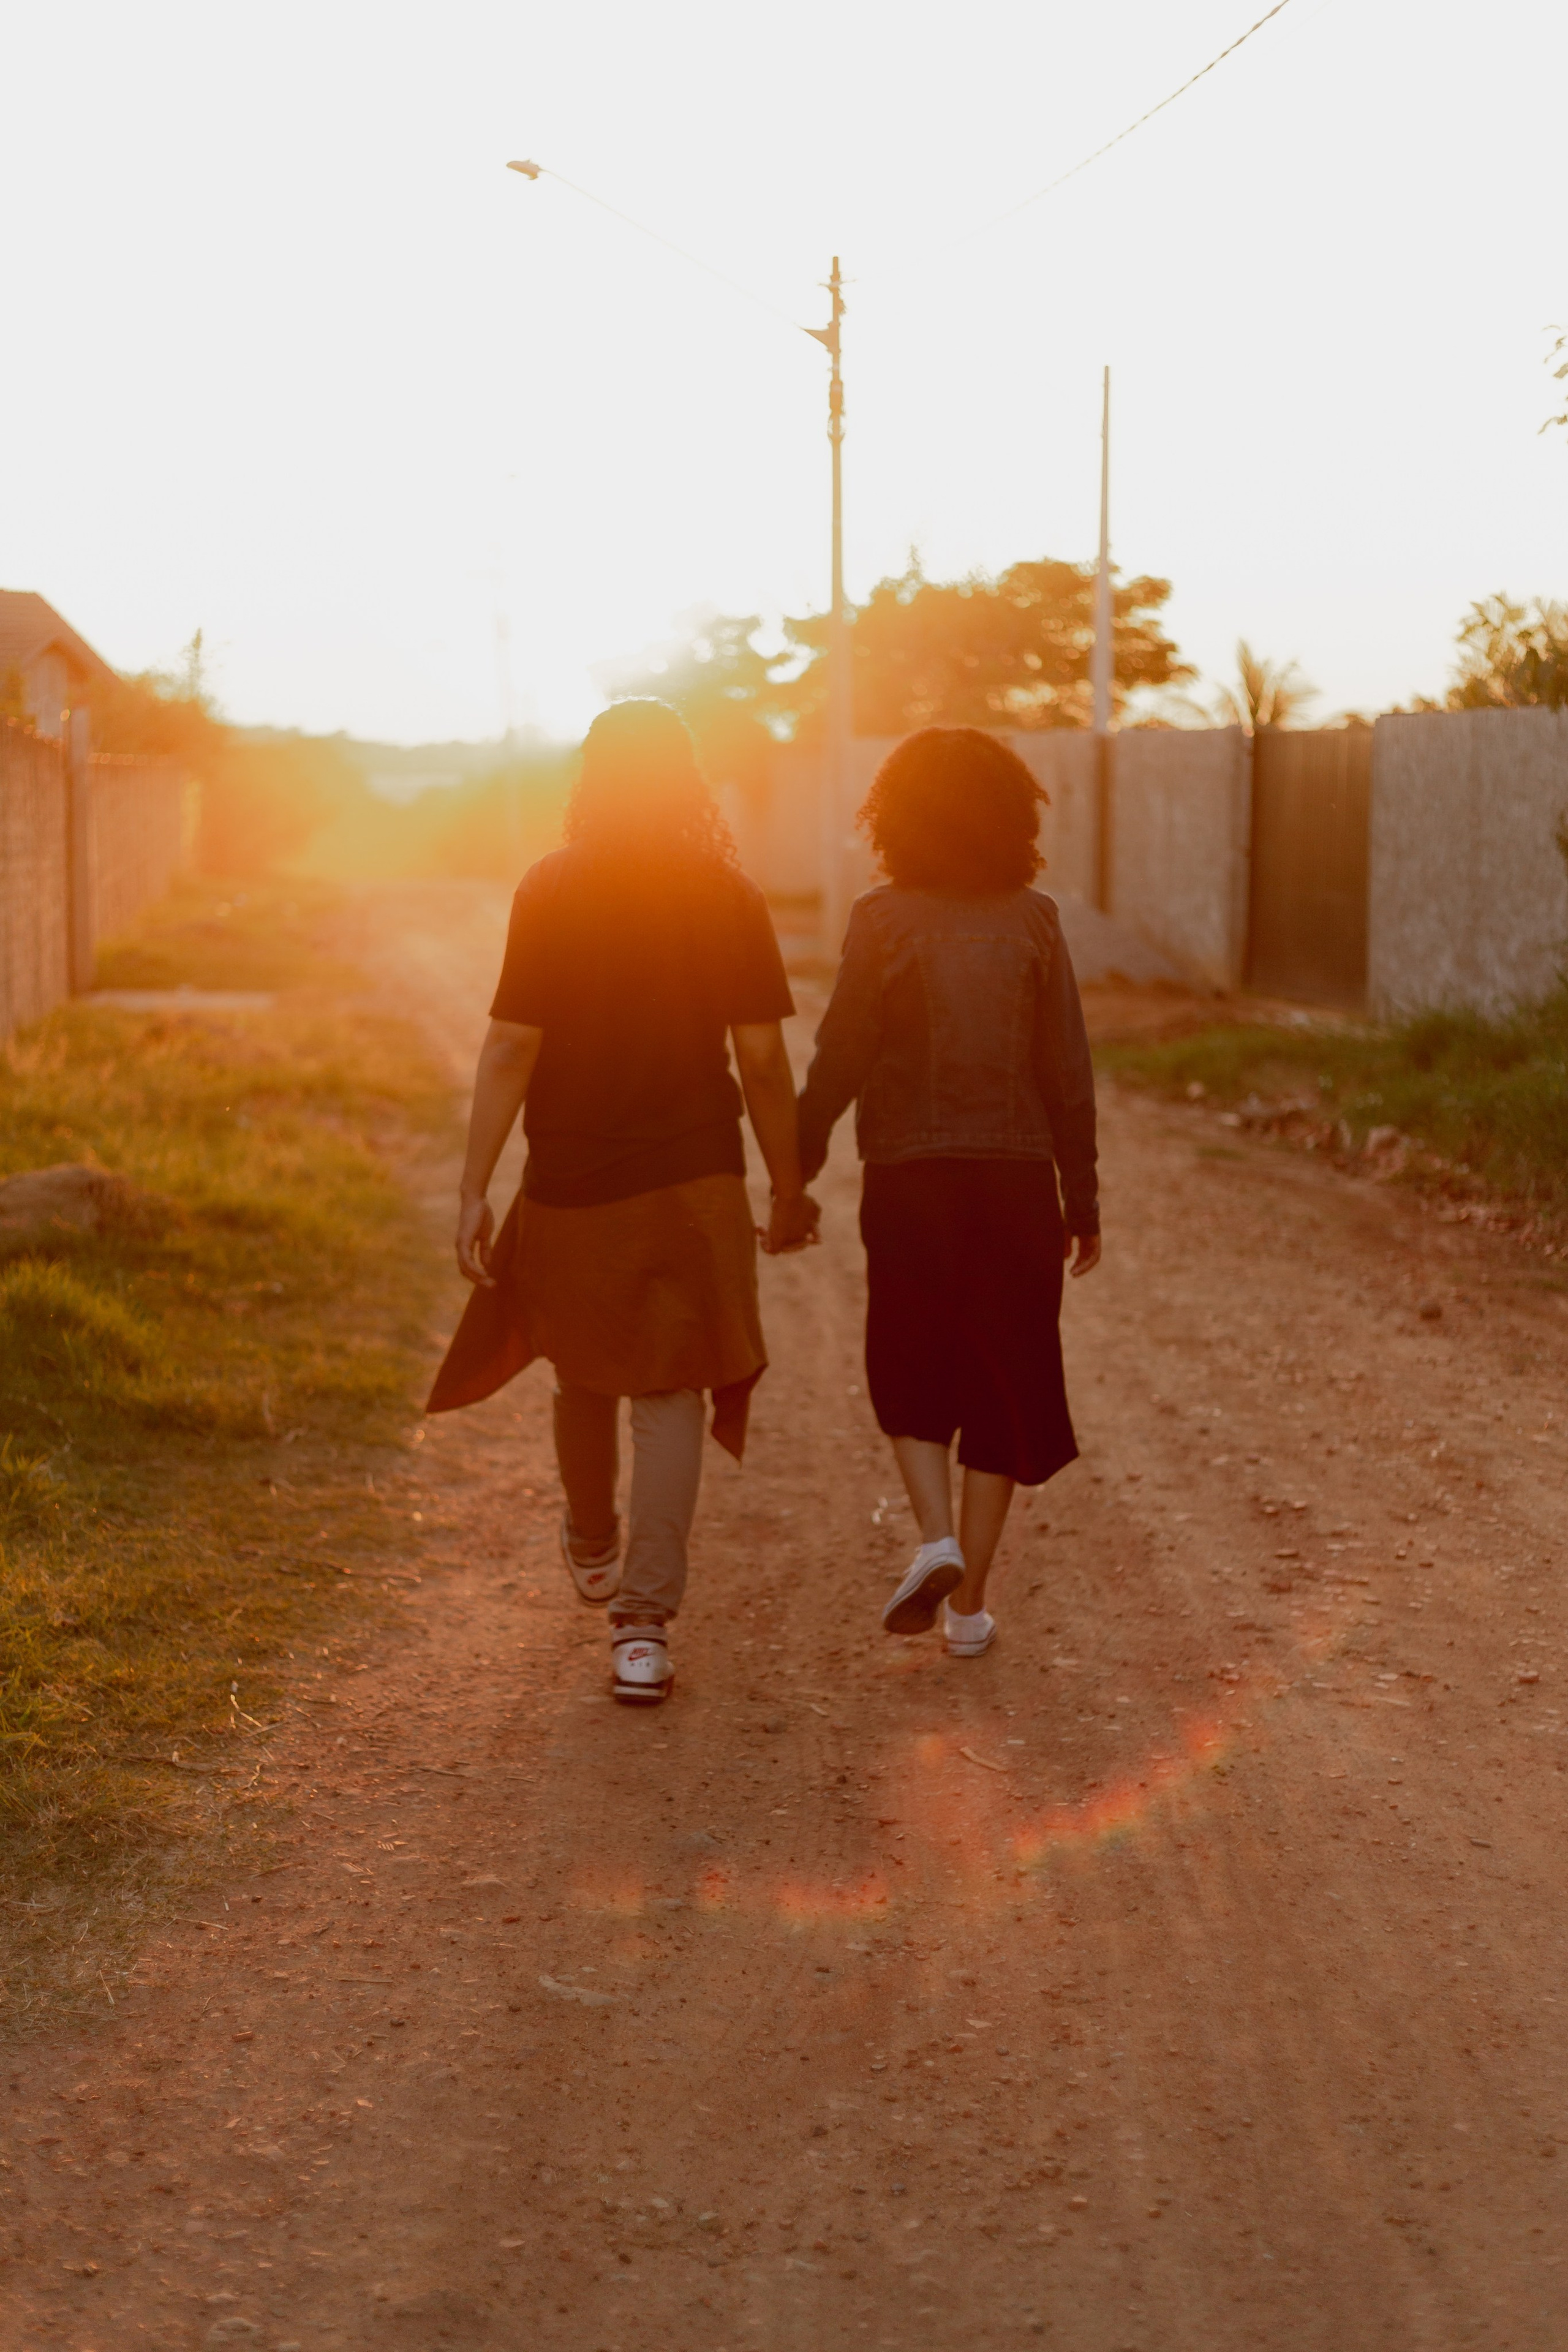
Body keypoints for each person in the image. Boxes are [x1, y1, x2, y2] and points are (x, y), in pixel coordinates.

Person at [427, 699, 818, 1706]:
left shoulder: (551, 887)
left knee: (583, 1367)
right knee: (671, 1387)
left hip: (573, 1176)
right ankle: (643, 1628)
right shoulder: (727, 893)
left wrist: (475, 1185)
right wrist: (788, 1181)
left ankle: (593, 1537)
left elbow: (513, 1044)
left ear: (590, 780)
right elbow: (765, 1058)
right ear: (687, 782)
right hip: (696, 1177)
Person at [796, 726, 1100, 1658]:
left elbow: (841, 1052)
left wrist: (795, 1162)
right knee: (1004, 1383)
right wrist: (1081, 1200)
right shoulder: (1037, 921)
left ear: (895, 819)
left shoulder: (880, 920)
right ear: (1015, 817)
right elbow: (1067, 1073)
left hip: (910, 1181)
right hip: (1015, 1189)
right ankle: (968, 1611)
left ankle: (933, 1541)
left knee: (912, 1362)